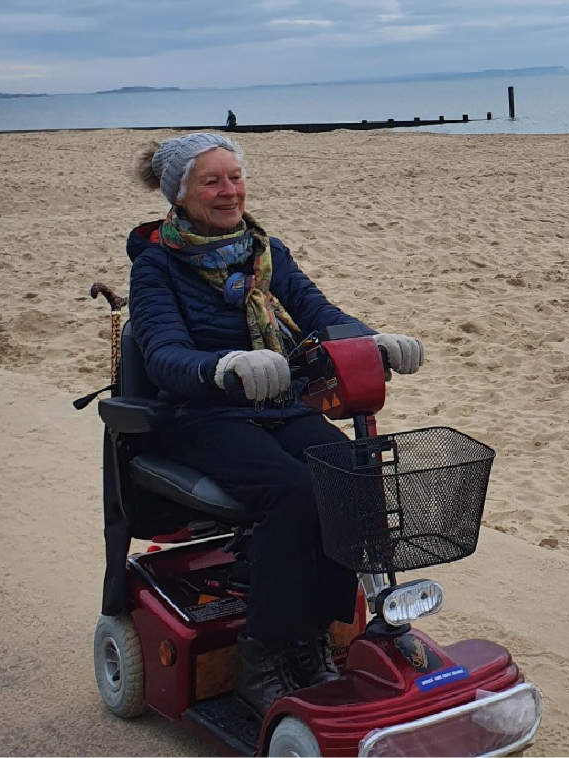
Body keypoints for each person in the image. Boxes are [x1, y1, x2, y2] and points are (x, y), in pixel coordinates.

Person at [127, 133, 425, 716]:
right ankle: (261, 658)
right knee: (290, 492)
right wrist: (224, 365)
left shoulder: (265, 252)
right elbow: (163, 354)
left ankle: (313, 638)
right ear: (181, 196)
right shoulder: (157, 265)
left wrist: (372, 340)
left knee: (349, 473)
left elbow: (319, 313)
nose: (229, 191)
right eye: (211, 181)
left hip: (278, 405)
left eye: (234, 177)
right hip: (199, 414)